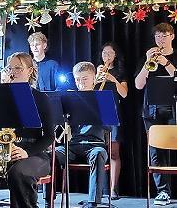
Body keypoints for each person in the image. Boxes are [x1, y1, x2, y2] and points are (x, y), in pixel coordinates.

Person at [0, 52, 54, 208]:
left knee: (18, 173)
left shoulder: (41, 98)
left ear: (30, 71)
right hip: (6, 151)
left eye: (18, 68)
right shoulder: (1, 98)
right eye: (10, 68)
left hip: (35, 153)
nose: (13, 72)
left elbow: (49, 137)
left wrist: (27, 152)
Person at [56, 62, 109, 208]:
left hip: (95, 145)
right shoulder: (71, 98)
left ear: (94, 79)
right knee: (54, 153)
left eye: (84, 79)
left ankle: (93, 202)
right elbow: (60, 121)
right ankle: (49, 199)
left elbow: (109, 127)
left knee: (99, 154)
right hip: (73, 146)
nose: (80, 83)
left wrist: (91, 110)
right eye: (77, 79)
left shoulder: (102, 99)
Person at [135, 22, 176, 206]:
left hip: (174, 108)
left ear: (172, 36)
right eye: (157, 36)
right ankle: (163, 192)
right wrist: (147, 63)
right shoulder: (148, 57)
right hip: (151, 110)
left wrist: (166, 63)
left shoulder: (173, 56)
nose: (160, 39)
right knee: (156, 150)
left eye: (164, 35)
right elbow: (138, 84)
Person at [95, 42, 128, 200]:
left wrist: (113, 79)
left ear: (115, 55)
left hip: (113, 113)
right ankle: (98, 189)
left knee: (114, 153)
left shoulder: (120, 72)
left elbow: (124, 94)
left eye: (109, 53)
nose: (106, 56)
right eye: (104, 53)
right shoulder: (97, 70)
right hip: (97, 114)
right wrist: (96, 77)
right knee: (98, 152)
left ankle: (113, 188)